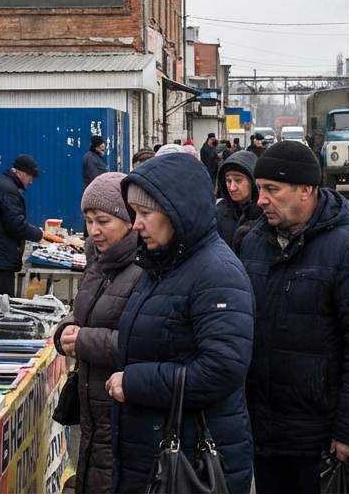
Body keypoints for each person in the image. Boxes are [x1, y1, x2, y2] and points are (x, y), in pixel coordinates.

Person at [240, 141, 349, 493]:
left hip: (319, 437)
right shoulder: (254, 242)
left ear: (305, 190)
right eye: (259, 189)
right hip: (263, 430)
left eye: (272, 189)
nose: (261, 200)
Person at [106, 153, 255, 493]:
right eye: (134, 213)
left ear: (178, 212)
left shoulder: (217, 272)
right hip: (153, 451)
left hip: (191, 463)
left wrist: (135, 383)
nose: (136, 224)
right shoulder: (160, 264)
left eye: (145, 213)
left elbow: (222, 369)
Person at [52, 173, 143, 493]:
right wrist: (65, 330)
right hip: (92, 406)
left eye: (103, 221)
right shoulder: (98, 262)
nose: (93, 230)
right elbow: (84, 313)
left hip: (122, 409)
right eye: (89, 221)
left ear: (130, 221)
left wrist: (84, 341)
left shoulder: (144, 270)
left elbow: (146, 343)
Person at [0, 154, 46, 298]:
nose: (31, 181)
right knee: (2, 301)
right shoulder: (8, 191)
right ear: (19, 172)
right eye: (30, 176)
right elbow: (16, 225)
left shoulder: (3, 185)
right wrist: (38, 233)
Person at [213, 150, 263, 253]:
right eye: (228, 181)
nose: (232, 188)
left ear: (253, 182)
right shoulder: (218, 212)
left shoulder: (265, 214)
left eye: (238, 180)